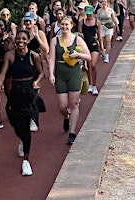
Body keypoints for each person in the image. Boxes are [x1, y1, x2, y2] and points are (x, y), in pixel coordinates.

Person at [0, 30, 44, 176]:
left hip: (29, 92)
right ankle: (22, 138)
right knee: (15, 122)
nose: (20, 41)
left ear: (28, 41)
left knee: (26, 125)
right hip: (15, 92)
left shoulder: (33, 56)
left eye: (23, 39)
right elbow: (2, 74)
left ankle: (26, 161)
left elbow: (41, 73)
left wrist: (36, 81)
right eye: (18, 39)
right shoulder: (10, 56)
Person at [48, 16, 91, 144]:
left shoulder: (78, 39)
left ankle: (72, 132)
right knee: (62, 105)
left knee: (74, 104)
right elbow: (51, 58)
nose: (64, 27)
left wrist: (78, 55)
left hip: (74, 72)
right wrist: (51, 74)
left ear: (72, 25)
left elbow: (88, 56)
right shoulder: (55, 40)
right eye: (62, 25)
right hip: (61, 73)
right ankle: (66, 117)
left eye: (67, 25)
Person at [22, 11, 50, 132]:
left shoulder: (40, 33)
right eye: (26, 21)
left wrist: (37, 37)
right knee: (25, 93)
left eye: (30, 20)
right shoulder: (22, 33)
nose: (28, 23)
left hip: (36, 64)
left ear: (34, 21)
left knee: (34, 92)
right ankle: (28, 116)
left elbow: (46, 49)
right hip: (24, 64)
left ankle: (34, 119)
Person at [78, 5, 104, 95]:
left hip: (93, 45)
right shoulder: (82, 22)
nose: (89, 16)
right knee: (87, 66)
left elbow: (99, 36)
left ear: (93, 12)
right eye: (87, 14)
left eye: (90, 14)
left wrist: (102, 48)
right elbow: (80, 35)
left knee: (93, 65)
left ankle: (94, 85)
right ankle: (89, 83)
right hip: (85, 46)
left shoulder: (97, 22)